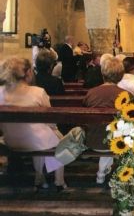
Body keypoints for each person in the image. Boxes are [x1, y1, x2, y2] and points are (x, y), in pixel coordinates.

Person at [0, 57, 67, 191]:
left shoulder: (1, 92)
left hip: (9, 141)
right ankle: (58, 181)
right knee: (60, 140)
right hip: (36, 141)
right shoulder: (38, 92)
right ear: (29, 72)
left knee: (42, 135)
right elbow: (50, 120)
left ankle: (40, 179)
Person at [83, 56, 125, 184]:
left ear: (103, 74)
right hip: (115, 142)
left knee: (104, 129)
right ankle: (103, 171)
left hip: (92, 139)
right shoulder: (124, 94)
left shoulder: (91, 92)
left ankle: (103, 171)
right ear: (121, 76)